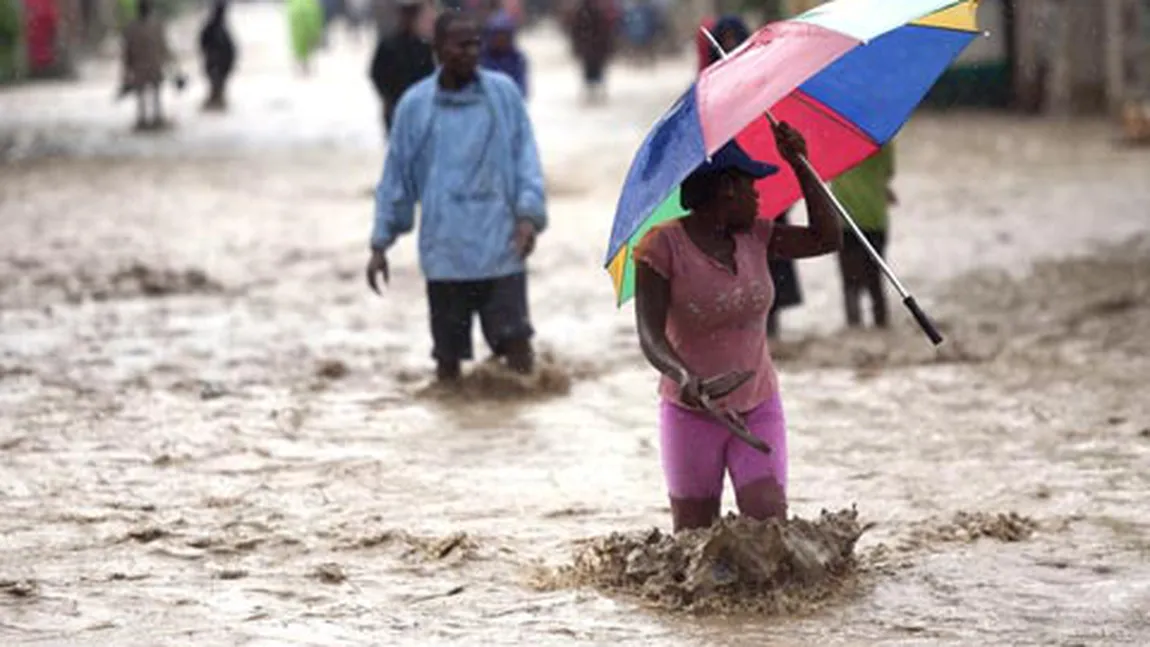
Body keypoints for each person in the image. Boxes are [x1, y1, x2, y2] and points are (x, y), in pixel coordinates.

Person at [633, 124, 841, 532]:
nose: (760, 195)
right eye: (752, 185)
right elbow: (650, 337)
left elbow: (827, 238)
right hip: (689, 412)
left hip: (759, 405)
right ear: (727, 189)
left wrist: (801, 164)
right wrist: (684, 376)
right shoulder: (660, 247)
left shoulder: (759, 237)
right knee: (694, 540)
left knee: (770, 532)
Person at [365, 11, 547, 382]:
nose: (470, 52)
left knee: (520, 361)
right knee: (447, 368)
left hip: (502, 251)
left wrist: (528, 216)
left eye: (475, 44)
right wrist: (380, 243)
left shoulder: (504, 95)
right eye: (460, 44)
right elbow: (396, 178)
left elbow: (526, 158)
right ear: (437, 48)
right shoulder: (415, 107)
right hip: (445, 255)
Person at [832, 143, 895, 329]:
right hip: (875, 219)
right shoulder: (883, 140)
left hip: (845, 220)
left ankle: (854, 328)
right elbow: (888, 172)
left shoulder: (835, 142)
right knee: (875, 282)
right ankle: (881, 327)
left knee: (850, 284)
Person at [369, 0, 435, 136]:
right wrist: (388, 96)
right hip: (397, 107)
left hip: (416, 109)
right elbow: (377, 74)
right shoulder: (389, 45)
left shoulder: (424, 47)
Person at [121, 0, 173, 130]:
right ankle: (153, 118)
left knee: (144, 95)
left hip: (142, 67)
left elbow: (127, 52)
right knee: (153, 94)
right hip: (151, 65)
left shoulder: (132, 27)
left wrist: (126, 71)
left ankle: (145, 119)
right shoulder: (156, 25)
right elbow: (164, 47)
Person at [569, 0, 615, 103]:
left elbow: (576, 32)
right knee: (594, 70)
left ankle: (593, 93)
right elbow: (605, 32)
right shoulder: (597, 12)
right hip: (594, 48)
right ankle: (595, 93)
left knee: (591, 70)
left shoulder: (581, 13)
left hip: (590, 48)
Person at [479, 10, 528, 98]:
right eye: (497, 35)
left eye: (504, 36)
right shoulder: (480, 57)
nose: (500, 40)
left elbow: (522, 89)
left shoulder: (517, 58)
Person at [198, 0, 236, 112]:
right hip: (218, 62)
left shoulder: (213, 28)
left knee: (217, 83)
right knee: (217, 83)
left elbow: (202, 43)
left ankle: (216, 100)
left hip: (218, 62)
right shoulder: (217, 29)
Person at [287, 0, 324, 75]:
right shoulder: (312, 4)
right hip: (308, 12)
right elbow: (317, 17)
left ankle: (301, 61)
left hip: (296, 13)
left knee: (298, 41)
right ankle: (304, 62)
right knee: (307, 41)